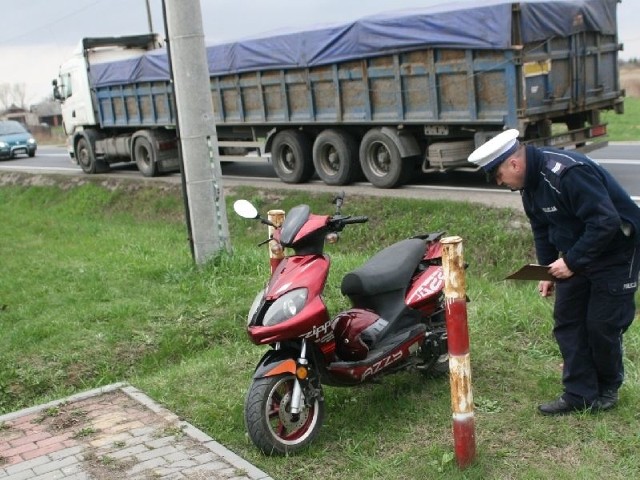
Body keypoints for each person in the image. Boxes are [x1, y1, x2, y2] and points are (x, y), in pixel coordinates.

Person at [468, 129, 640, 415]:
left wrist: (570, 262)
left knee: (601, 325)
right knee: (567, 321)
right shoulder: (529, 185)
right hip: (578, 251)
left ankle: (608, 388)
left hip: (616, 251)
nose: (501, 183)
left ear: (514, 164)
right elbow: (543, 228)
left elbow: (605, 222)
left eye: (498, 176)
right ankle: (579, 394)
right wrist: (546, 272)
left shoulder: (567, 174)